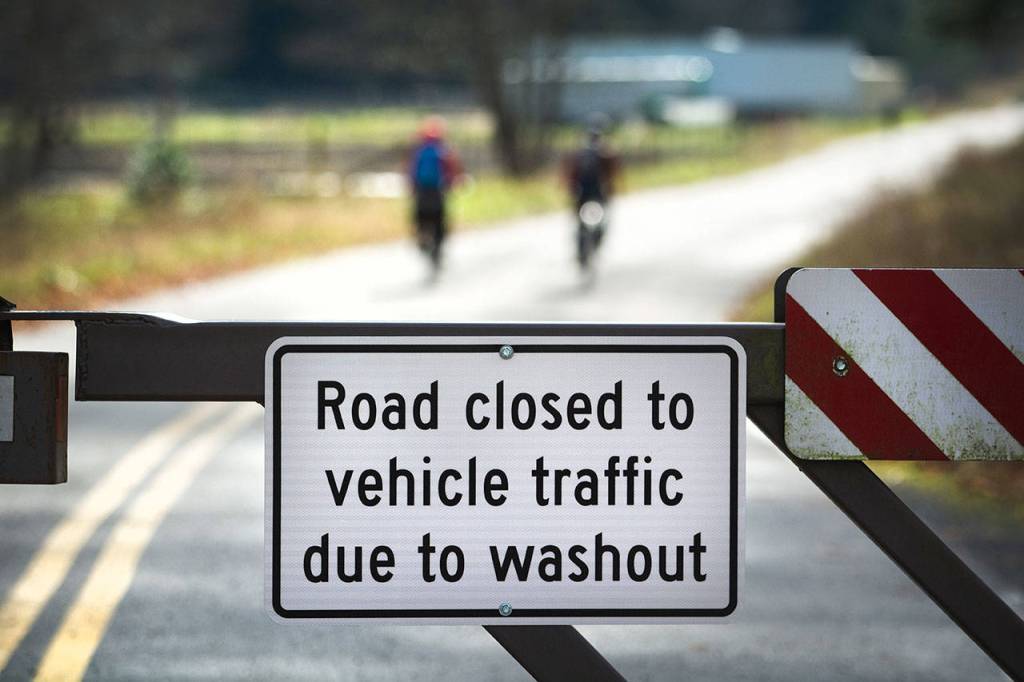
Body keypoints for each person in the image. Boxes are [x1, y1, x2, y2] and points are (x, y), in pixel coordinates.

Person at [408, 117, 461, 267]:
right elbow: (452, 171)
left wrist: (412, 187)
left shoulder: (418, 152)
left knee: (420, 218)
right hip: (438, 191)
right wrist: (452, 184)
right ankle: (437, 248)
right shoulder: (443, 151)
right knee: (439, 220)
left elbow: (411, 171)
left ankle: (423, 241)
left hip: (422, 191)